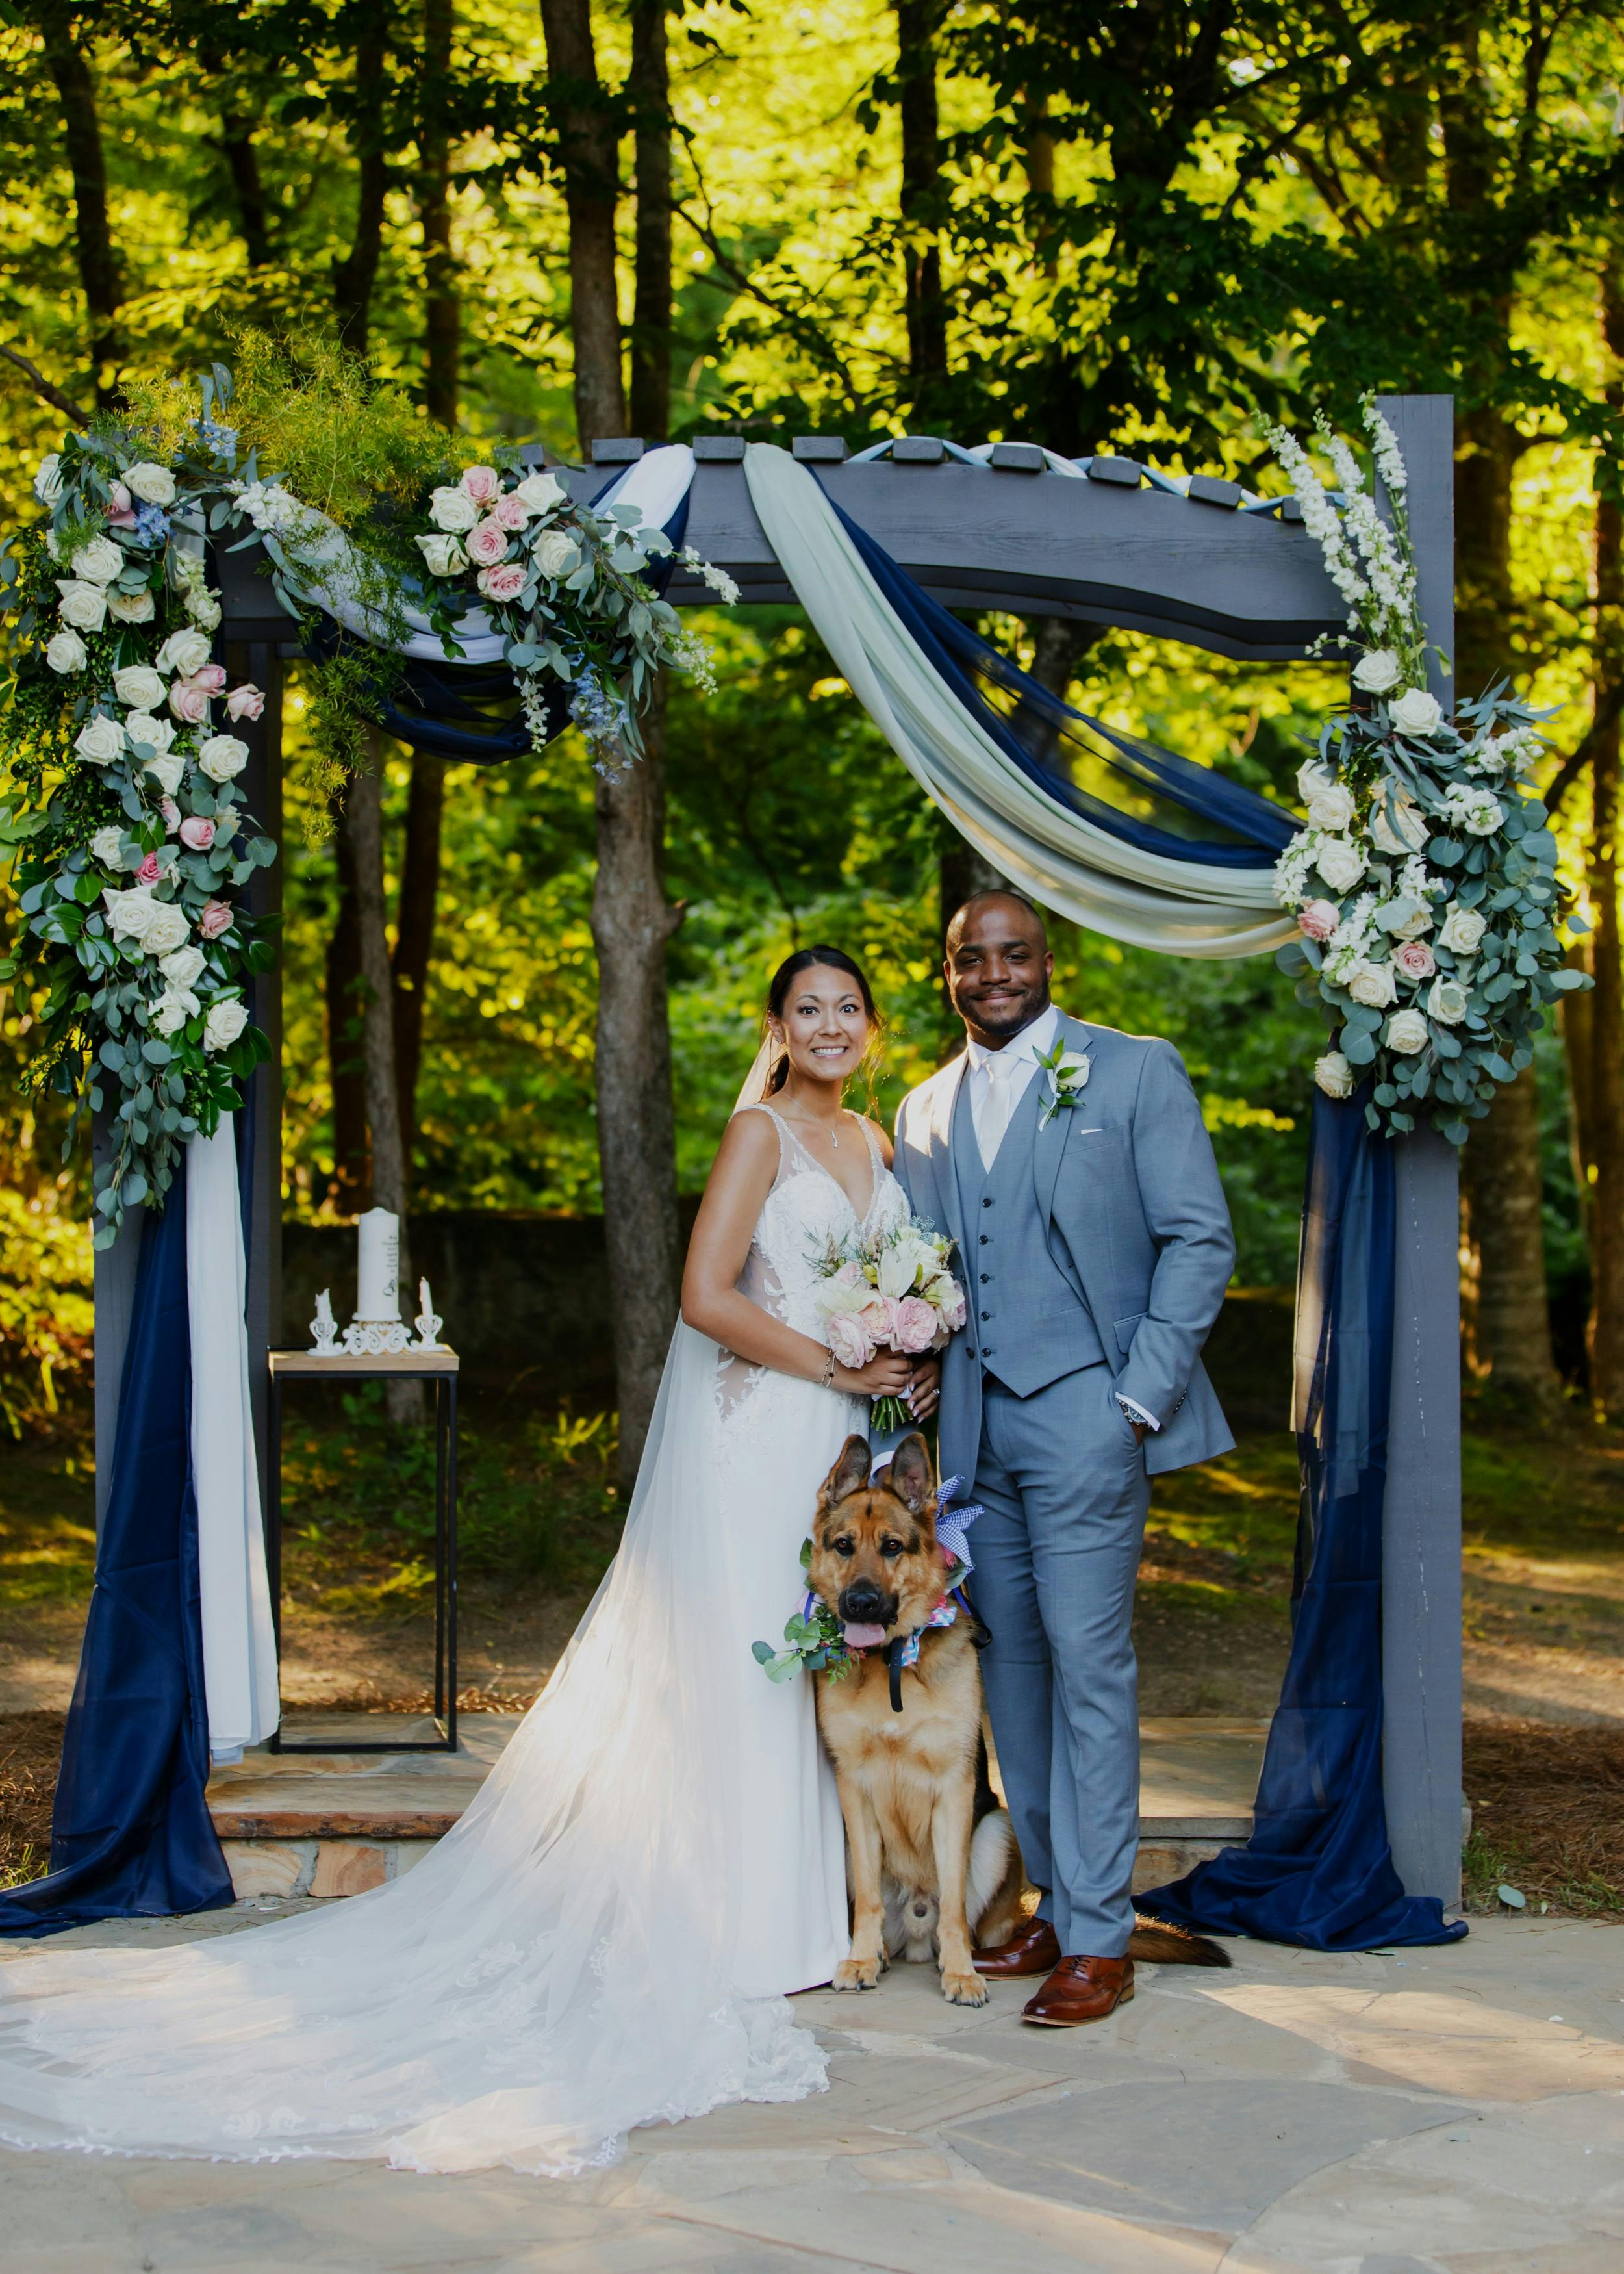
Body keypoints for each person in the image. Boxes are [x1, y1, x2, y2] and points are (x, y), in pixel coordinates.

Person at [0, 949, 935, 2178]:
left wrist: (903, 1355)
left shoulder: (875, 1137)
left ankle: (825, 1921)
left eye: (848, 1010)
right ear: (776, 1024)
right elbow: (707, 1298)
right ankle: (737, 1931)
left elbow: (889, 1287)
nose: (829, 1026)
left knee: (826, 1686)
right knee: (747, 1683)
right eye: (806, 1009)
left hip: (850, 1447)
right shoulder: (759, 1133)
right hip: (767, 1436)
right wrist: (841, 1364)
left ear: (872, 1027)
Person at [892, 890, 1234, 2027]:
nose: (994, 973)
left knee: (1091, 1666)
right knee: (1018, 1673)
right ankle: (1050, 1891)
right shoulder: (925, 1108)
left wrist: (1140, 1394)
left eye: (1014, 954)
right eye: (970, 958)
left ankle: (1099, 1935)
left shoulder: (1132, 1072)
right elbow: (924, 1269)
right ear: (949, 974)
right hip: (977, 1436)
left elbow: (1199, 1235)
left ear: (1049, 960)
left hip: (1094, 1412)